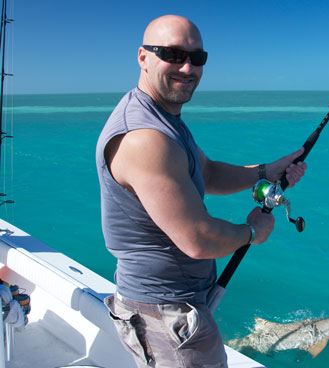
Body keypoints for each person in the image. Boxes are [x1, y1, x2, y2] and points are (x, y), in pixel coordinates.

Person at [95, 14, 307, 368]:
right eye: (173, 54)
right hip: (167, 316)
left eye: (198, 58)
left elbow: (206, 172)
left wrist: (266, 171)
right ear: (143, 57)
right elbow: (197, 239)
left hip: (170, 306)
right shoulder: (145, 139)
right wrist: (254, 232)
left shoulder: (163, 118)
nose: (188, 67)